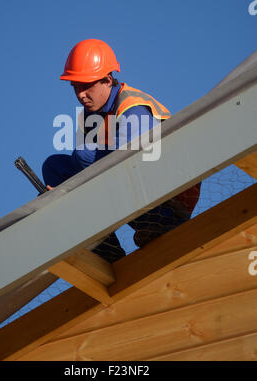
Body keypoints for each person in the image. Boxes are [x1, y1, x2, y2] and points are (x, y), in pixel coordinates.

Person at [42, 39, 201, 263]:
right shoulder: (92, 115)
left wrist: (75, 192)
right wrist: (65, 195)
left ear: (108, 80)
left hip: (170, 200)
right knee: (55, 167)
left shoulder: (133, 108)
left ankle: (164, 225)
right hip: (130, 188)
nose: (80, 94)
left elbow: (138, 162)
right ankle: (106, 251)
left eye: (86, 86)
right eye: (75, 87)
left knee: (84, 155)